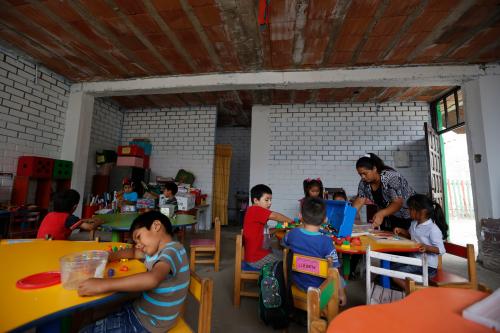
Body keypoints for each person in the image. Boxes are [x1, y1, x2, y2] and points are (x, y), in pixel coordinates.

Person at [78, 211, 189, 333]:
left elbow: (152, 279)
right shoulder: (155, 251)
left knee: (85, 329)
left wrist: (103, 284)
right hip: (140, 309)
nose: (138, 245)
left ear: (156, 226)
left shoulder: (172, 250)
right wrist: (108, 257)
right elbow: (134, 252)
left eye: (139, 237)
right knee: (92, 312)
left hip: (147, 323)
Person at [284, 197, 347, 305]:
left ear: (300, 216)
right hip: (320, 289)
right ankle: (340, 298)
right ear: (325, 220)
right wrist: (341, 294)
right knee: (337, 275)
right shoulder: (326, 242)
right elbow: (334, 270)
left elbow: (284, 242)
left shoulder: (293, 233)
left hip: (297, 283)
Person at [391, 194, 447, 291]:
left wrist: (427, 247)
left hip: (427, 266)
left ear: (422, 212)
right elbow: (412, 235)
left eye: (410, 209)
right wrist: (402, 231)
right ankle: (407, 289)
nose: (408, 211)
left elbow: (441, 250)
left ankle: (414, 293)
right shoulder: (413, 224)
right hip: (415, 261)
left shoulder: (432, 229)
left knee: (395, 274)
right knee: (391, 267)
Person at [352, 153, 416, 231]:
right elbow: (359, 200)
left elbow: (398, 203)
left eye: (365, 173)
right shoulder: (364, 183)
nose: (362, 177)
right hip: (391, 216)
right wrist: (348, 218)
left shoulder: (391, 177)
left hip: (409, 216)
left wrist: (381, 213)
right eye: (360, 174)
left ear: (374, 169)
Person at [243, 184, 293, 269]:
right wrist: (293, 222)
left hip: (259, 253)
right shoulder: (254, 210)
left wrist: (280, 228)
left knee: (286, 255)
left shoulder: (255, 212)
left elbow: (265, 232)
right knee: (288, 261)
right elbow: (275, 216)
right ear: (256, 200)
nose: (270, 203)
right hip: (256, 258)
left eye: (270, 200)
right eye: (266, 200)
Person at [37, 189, 103, 240]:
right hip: (55, 246)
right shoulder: (69, 218)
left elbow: (74, 222)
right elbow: (90, 227)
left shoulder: (49, 214)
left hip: (40, 243)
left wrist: (85, 220)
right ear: (74, 207)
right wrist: (99, 221)